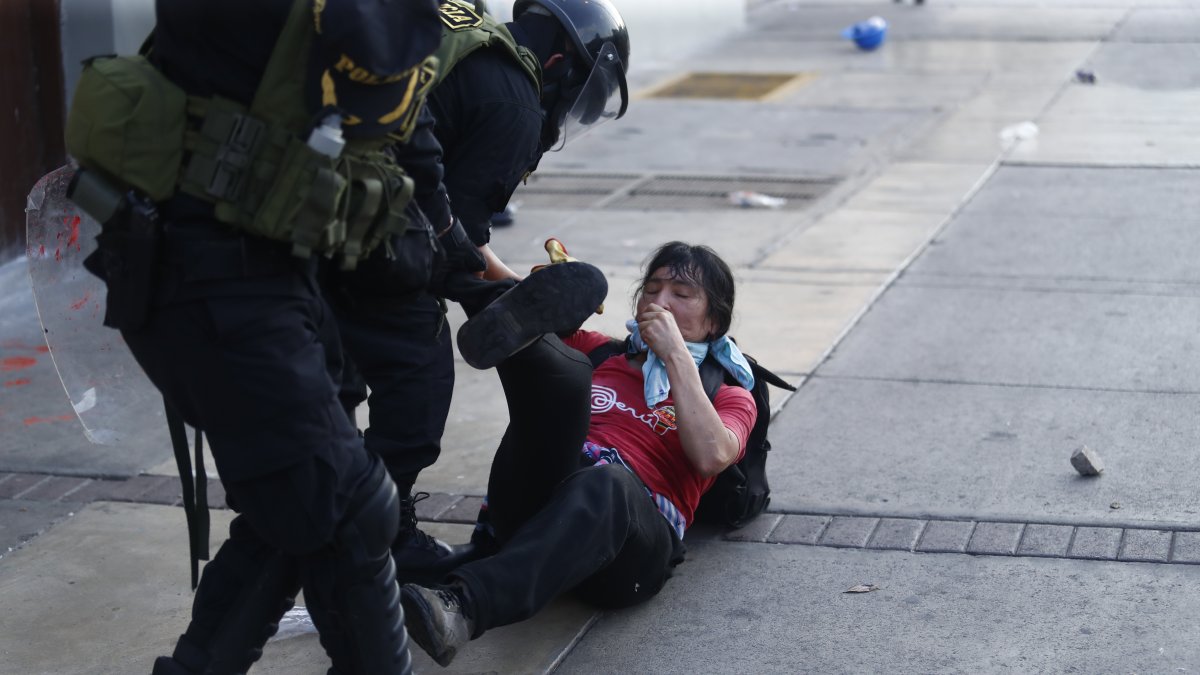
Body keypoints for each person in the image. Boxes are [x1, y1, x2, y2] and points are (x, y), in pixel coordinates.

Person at [62, 0, 496, 672]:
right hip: (206, 272)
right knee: (346, 504)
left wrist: (450, 249)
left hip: (281, 272)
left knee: (294, 515)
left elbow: (407, 134)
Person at [328, 0, 632, 576]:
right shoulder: (515, 103)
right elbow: (447, 237)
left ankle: (329, 510)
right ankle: (382, 536)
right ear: (562, 60)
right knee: (416, 396)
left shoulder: (473, 41)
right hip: (378, 243)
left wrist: (508, 283)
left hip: (320, 225)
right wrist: (488, 292)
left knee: (335, 390)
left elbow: (455, 221)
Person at [398, 242, 759, 666]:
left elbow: (712, 456)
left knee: (606, 479)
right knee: (558, 374)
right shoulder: (603, 352)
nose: (659, 302)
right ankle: (488, 544)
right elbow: (517, 304)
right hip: (541, 502)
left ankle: (465, 604)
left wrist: (676, 354)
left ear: (714, 320)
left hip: (629, 549)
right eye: (652, 288)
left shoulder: (730, 396)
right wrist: (466, 240)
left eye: (680, 294)